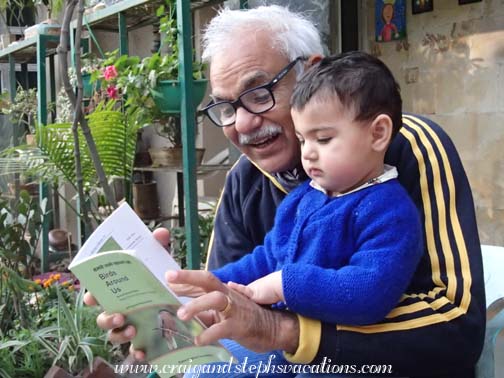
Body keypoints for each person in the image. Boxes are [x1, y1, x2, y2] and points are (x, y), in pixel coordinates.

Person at [86, 5, 485, 377]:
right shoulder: (247, 179)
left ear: (309, 75)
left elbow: (457, 330)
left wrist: (286, 331)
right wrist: (174, 299)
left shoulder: (407, 151)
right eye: (226, 107)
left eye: (259, 94)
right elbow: (232, 299)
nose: (242, 124)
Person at [210, 52, 423, 328]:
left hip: (341, 353)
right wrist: (215, 284)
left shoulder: (389, 212)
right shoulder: (305, 197)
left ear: (378, 133)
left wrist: (284, 285)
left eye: (323, 139)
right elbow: (267, 257)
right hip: (281, 339)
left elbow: (369, 292)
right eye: (302, 139)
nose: (307, 153)